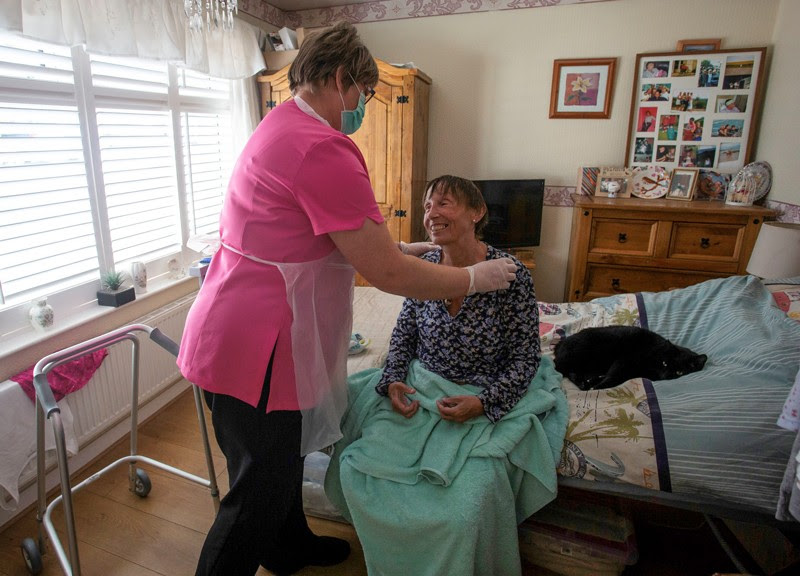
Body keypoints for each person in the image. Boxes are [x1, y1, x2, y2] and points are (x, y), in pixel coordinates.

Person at [176, 24, 517, 576]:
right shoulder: (322, 148)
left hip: (233, 319)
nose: (361, 109)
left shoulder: (279, 125)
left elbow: (314, 233)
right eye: (363, 94)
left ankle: (289, 548)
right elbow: (385, 273)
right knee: (255, 492)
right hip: (255, 344)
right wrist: (474, 277)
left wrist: (398, 245)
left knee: (281, 459)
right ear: (341, 80)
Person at [325, 176, 568, 576]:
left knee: (468, 502)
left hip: (482, 392)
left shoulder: (509, 275)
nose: (431, 214)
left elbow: (526, 358)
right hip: (422, 389)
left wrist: (484, 402)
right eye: (427, 206)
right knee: (357, 468)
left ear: (477, 212)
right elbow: (404, 333)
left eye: (444, 203)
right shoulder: (422, 269)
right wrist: (393, 380)